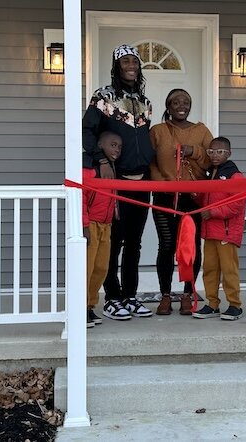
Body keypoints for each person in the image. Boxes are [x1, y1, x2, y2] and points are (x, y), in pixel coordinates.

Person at [82, 44, 154, 320]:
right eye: (125, 61)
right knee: (114, 242)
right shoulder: (103, 96)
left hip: (142, 182)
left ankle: (130, 296)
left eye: (134, 61)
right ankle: (112, 297)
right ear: (116, 66)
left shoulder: (145, 102)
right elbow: (87, 131)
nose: (131, 65)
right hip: (115, 181)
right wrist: (101, 160)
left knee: (135, 242)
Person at [149, 89, 212, 315]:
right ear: (168, 106)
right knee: (166, 245)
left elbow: (211, 159)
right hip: (164, 196)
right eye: (175, 102)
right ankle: (165, 295)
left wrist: (193, 150)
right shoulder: (157, 131)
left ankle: (188, 293)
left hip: (193, 198)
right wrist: (161, 182)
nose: (181, 105)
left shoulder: (201, 131)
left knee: (191, 247)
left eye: (185, 101)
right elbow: (150, 161)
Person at [192, 137, 246, 321]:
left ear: (228, 153)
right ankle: (212, 304)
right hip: (209, 232)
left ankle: (234, 305)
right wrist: (197, 195)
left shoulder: (234, 175)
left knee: (229, 269)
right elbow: (205, 200)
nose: (215, 155)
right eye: (211, 151)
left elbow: (237, 205)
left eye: (220, 152)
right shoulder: (209, 173)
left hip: (226, 232)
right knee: (210, 269)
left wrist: (213, 212)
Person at [83, 131, 122, 327]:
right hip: (91, 224)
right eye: (113, 145)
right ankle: (79, 308)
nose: (117, 149)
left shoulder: (113, 168)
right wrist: (84, 225)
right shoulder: (89, 167)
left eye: (119, 147)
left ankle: (90, 307)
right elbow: (80, 197)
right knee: (86, 268)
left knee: (101, 268)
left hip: (106, 225)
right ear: (99, 145)